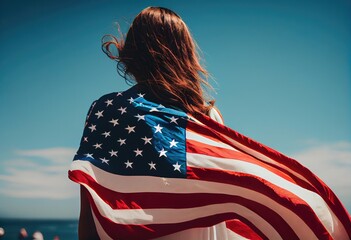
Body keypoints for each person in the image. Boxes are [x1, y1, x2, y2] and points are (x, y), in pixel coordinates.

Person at [69, 6, 351, 240]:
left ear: (133, 52)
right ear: (183, 55)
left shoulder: (106, 110)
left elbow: (89, 207)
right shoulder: (204, 118)